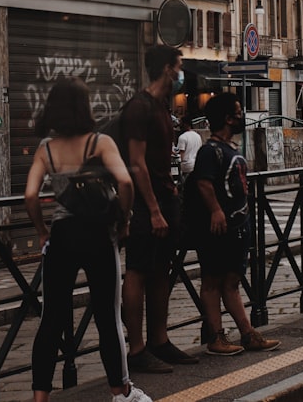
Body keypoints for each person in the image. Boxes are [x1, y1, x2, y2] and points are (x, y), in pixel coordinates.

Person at [24, 77, 150, 402]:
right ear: (85, 106)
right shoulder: (101, 142)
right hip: (98, 235)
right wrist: (123, 221)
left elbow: (30, 195)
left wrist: (42, 231)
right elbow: (125, 183)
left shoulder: (46, 149)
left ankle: (40, 397)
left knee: (51, 318)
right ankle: (120, 391)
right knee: (108, 316)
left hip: (62, 237)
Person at [184, 92, 280, 356]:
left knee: (232, 282)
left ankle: (247, 334)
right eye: (238, 112)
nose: (242, 116)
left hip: (237, 226)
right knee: (212, 281)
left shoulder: (230, 149)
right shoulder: (209, 151)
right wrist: (215, 210)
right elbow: (203, 182)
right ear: (227, 118)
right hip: (217, 228)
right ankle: (216, 337)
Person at [121, 45, 198, 373]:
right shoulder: (139, 107)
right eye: (178, 66)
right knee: (138, 269)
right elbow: (136, 164)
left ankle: (159, 340)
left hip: (164, 197)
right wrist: (152, 208)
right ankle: (136, 348)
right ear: (167, 68)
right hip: (144, 202)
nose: (181, 73)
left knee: (160, 269)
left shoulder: (161, 107)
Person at [176, 115, 202, 182]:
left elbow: (182, 155)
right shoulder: (198, 136)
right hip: (196, 164)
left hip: (187, 165)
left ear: (185, 124)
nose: (179, 125)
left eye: (181, 123)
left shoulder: (182, 137)